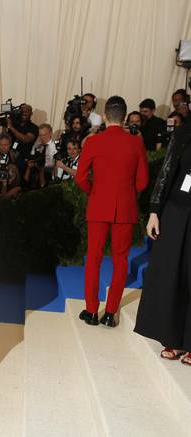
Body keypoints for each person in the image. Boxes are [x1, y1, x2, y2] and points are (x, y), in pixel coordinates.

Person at [75, 96, 149, 327]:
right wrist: (127, 193)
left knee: (94, 259)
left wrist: (94, 192)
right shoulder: (136, 143)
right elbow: (143, 182)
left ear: (105, 116)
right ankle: (110, 313)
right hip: (125, 208)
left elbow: (80, 177)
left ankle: (90, 310)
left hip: (98, 206)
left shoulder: (94, 142)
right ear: (125, 117)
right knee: (120, 261)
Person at [134, 118, 191, 364]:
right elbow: (168, 170)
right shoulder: (185, 130)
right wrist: (155, 211)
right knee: (172, 274)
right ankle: (173, 338)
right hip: (177, 212)